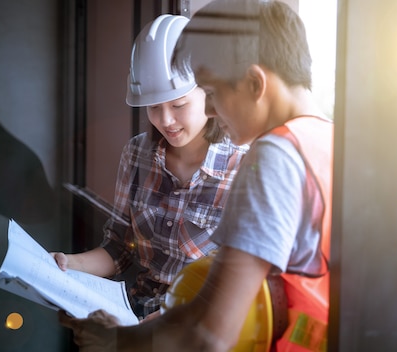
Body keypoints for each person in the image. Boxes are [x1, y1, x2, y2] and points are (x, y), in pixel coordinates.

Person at [59, 1, 334, 351]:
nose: (210, 111)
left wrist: (117, 342)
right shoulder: (332, 141)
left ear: (254, 82)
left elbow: (211, 334)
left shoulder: (272, 158)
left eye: (213, 93)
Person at [51, 14, 248, 321]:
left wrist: (140, 335)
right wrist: (66, 264)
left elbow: (236, 287)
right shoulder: (137, 154)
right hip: (134, 312)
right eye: (154, 107)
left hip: (194, 324)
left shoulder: (243, 166)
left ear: (208, 93)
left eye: (178, 105)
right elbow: (119, 247)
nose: (165, 120)